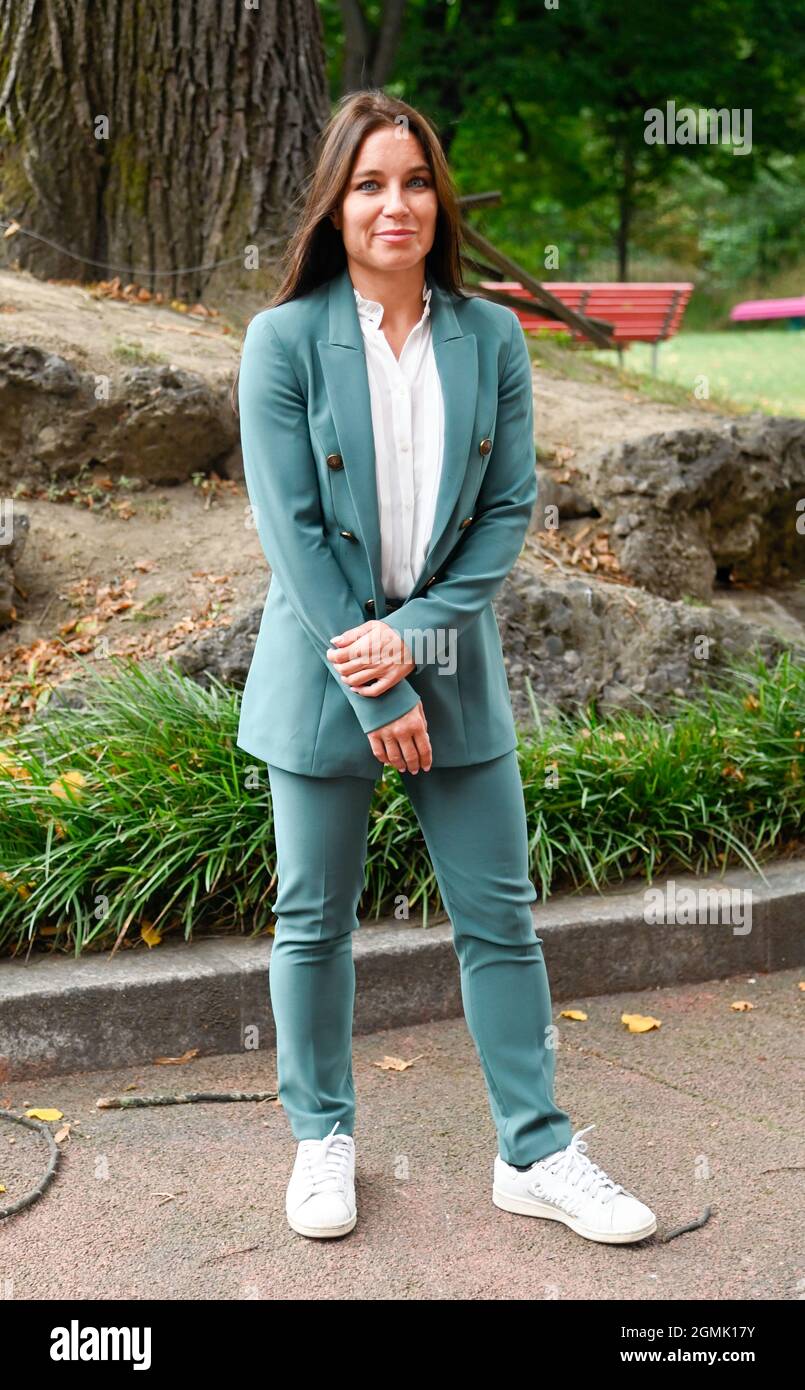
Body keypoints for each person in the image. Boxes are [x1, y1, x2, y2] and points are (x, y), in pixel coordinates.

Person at [232, 89, 657, 1247]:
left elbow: (505, 512)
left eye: (414, 181)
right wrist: (376, 680)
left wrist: (414, 644)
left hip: (452, 663)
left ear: (439, 199)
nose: (395, 204)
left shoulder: (493, 336)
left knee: (501, 920)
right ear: (335, 202)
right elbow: (295, 534)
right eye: (369, 183)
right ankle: (322, 1134)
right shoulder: (282, 342)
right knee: (312, 918)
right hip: (323, 670)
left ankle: (536, 1149)